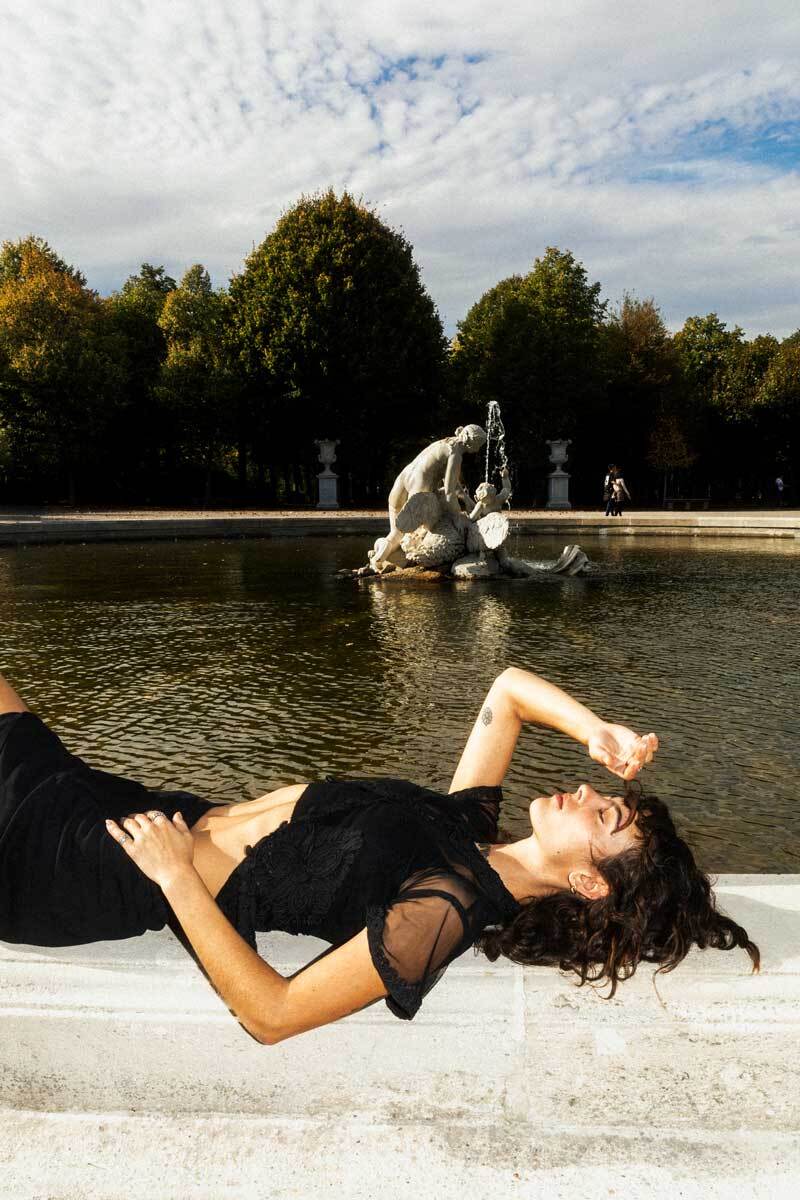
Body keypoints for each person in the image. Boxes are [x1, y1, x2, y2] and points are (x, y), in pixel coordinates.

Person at [0, 667, 758, 1044]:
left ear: (589, 882)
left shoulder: (450, 906)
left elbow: (273, 1014)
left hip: (86, 868)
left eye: (605, 817)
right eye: (606, 794)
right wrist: (600, 730)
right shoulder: (468, 828)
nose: (590, 792)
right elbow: (508, 692)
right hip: (106, 798)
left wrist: (173, 880)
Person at [368, 424, 487, 572]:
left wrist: (467, 500)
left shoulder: (445, 442)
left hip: (403, 479)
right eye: (479, 446)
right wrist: (458, 518)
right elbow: (449, 492)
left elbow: (453, 481)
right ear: (472, 442)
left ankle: (382, 551)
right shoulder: (456, 453)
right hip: (420, 488)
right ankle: (410, 557)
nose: (478, 450)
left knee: (395, 534)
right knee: (430, 525)